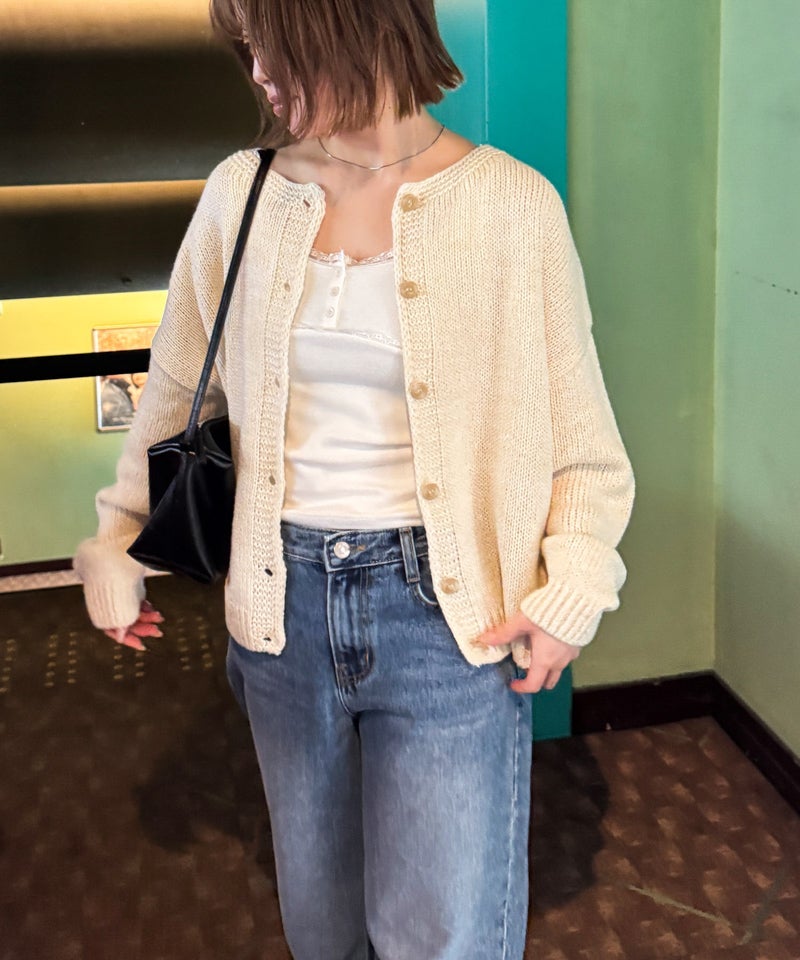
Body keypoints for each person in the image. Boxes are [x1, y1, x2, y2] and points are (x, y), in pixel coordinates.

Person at [73, 1, 635, 957]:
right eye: (247, 47)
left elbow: (582, 442)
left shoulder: (512, 206)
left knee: (441, 934)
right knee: (322, 923)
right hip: (279, 607)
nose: (258, 71)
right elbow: (176, 392)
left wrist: (575, 584)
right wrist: (118, 539)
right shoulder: (241, 193)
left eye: (274, 42)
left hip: (451, 621)